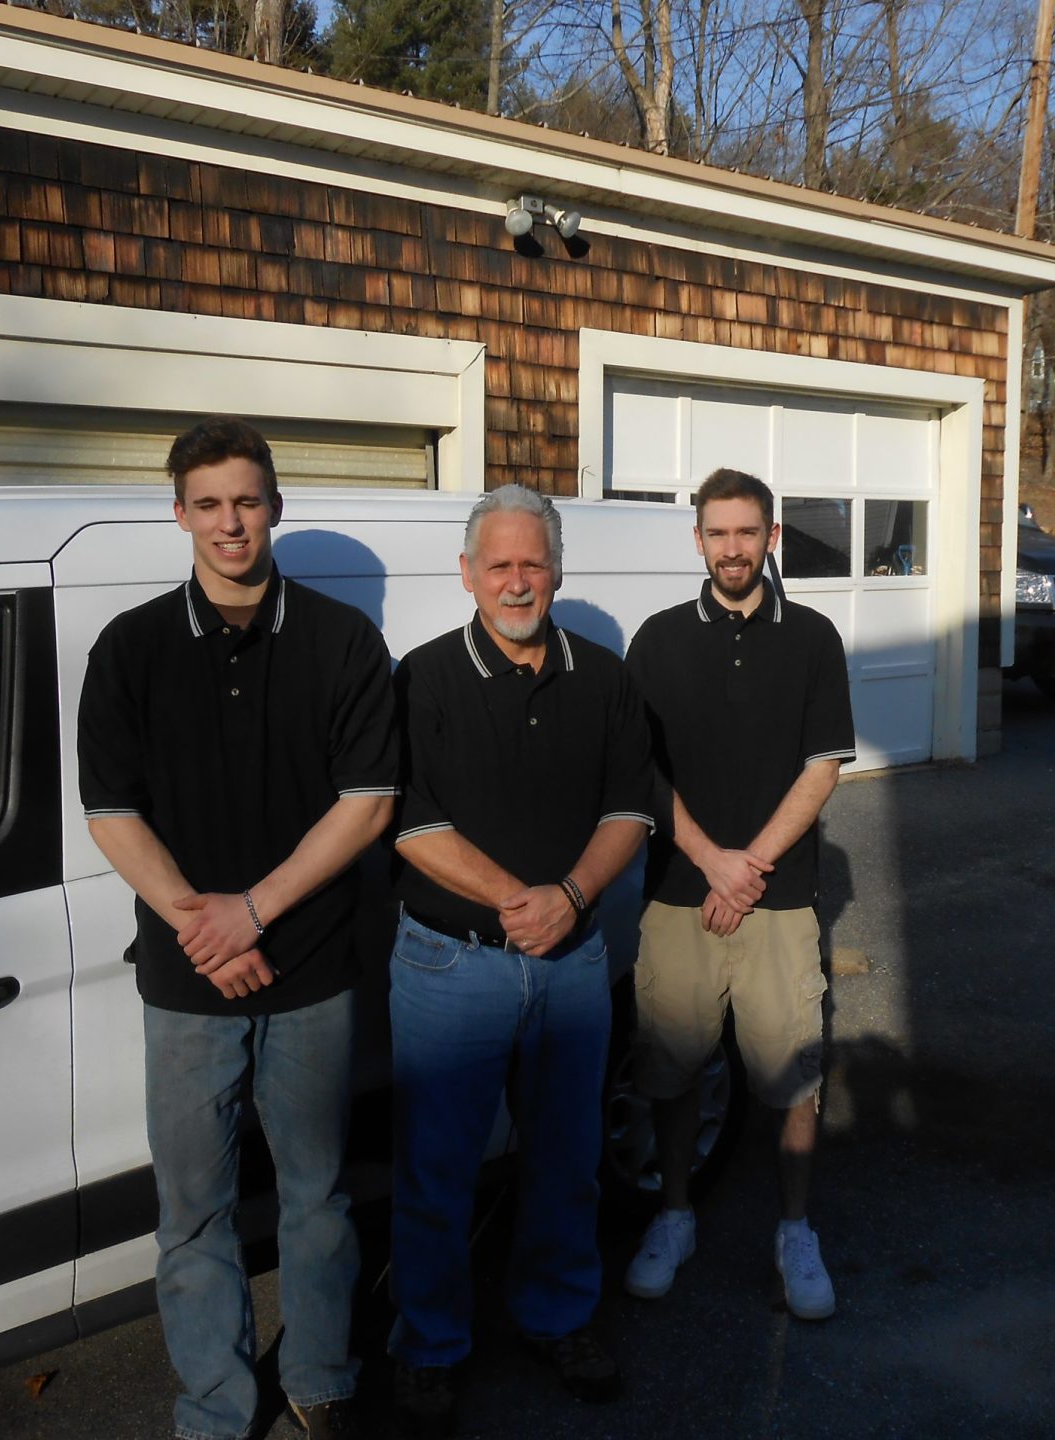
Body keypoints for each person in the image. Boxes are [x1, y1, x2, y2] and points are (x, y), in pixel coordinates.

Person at [77, 417, 396, 1440]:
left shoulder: (343, 642)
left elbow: (368, 803)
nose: (230, 523)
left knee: (317, 1197)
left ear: (276, 507)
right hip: (186, 985)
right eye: (209, 504)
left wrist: (250, 912)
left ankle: (322, 1379)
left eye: (247, 501)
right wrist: (202, 927)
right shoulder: (130, 647)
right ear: (179, 514)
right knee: (193, 1213)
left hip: (313, 973)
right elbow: (110, 811)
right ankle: (214, 1408)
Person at [385, 485, 654, 1439]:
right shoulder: (421, 679)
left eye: (532, 563)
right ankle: (430, 1345)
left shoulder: (605, 679)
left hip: (574, 962)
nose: (515, 581)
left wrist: (570, 898)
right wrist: (519, 898)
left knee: (566, 1161)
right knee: (436, 1171)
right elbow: (407, 820)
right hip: (449, 968)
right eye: (497, 564)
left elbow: (631, 808)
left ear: (557, 571)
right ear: (467, 574)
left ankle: (558, 1316)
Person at [620, 467, 855, 1320]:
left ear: (771, 537)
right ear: (698, 540)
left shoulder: (814, 638)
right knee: (672, 1067)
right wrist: (709, 861)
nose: (732, 548)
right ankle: (675, 1216)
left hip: (779, 901)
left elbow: (822, 766)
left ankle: (795, 1231)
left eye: (747, 532)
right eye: (717, 533)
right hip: (678, 894)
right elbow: (641, 771)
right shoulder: (657, 640)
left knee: (793, 1076)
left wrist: (746, 865)